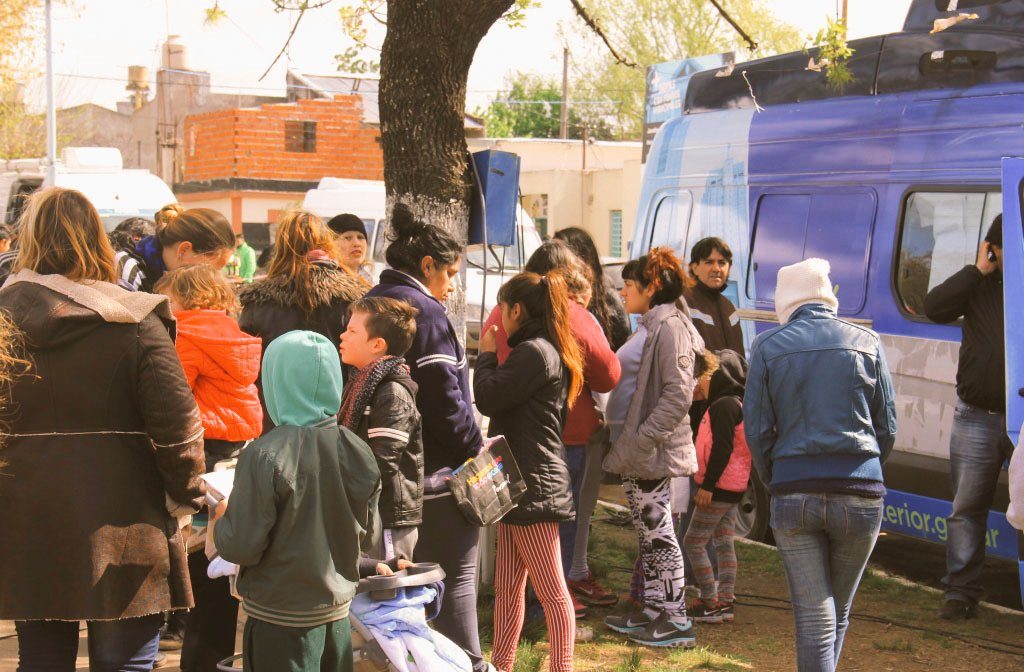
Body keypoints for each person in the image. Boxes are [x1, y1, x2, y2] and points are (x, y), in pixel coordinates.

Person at [0, 187, 205, 671]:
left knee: (41, 660)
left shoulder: (5, 317)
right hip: (126, 517)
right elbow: (178, 429)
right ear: (97, 239)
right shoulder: (133, 320)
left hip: (25, 517)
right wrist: (185, 497)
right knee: (126, 664)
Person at [744, 258, 896, 672]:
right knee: (838, 610)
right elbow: (888, 427)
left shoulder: (768, 346)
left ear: (785, 301)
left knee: (815, 613)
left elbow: (756, 428)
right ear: (828, 296)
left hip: (794, 491)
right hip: (861, 492)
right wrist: (864, 467)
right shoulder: (868, 341)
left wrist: (775, 478)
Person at [212, 330, 381, 672]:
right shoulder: (358, 449)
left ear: (275, 383)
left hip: (279, 618)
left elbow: (241, 546)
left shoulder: (264, 454)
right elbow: (369, 537)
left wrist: (220, 520)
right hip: (336, 613)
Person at [364, 203, 487, 671]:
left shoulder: (373, 302)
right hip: (436, 475)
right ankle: (469, 664)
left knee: (404, 589)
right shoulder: (429, 314)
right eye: (449, 273)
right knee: (454, 579)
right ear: (428, 266)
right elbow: (447, 402)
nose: (452, 285)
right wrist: (477, 450)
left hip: (389, 477)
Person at [481, 240, 621, 615]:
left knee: (518, 545)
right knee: (554, 539)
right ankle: (549, 607)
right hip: (560, 438)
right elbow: (609, 373)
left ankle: (536, 612)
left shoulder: (505, 310)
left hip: (511, 439)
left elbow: (490, 389)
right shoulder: (568, 318)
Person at [153, 264, 262, 670]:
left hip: (201, 446)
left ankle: (196, 660)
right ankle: (215, 658)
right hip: (235, 451)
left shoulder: (188, 332)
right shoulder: (235, 334)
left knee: (193, 562)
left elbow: (169, 397)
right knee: (218, 561)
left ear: (185, 296)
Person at [475, 271, 584, 672]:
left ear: (517, 309)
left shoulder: (534, 353)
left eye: (503, 309)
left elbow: (487, 397)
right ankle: (502, 665)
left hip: (532, 486)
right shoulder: (541, 349)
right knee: (507, 589)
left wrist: (486, 354)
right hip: (519, 483)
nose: (500, 319)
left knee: (552, 591)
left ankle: (561, 667)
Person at [603, 247, 704, 648]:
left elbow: (679, 395)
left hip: (652, 451)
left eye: (629, 285)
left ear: (652, 287)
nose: (623, 292)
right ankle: (654, 608)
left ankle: (676, 619)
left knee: (659, 532)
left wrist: (642, 438)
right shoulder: (655, 322)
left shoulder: (671, 327)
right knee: (649, 534)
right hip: (641, 450)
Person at [924, 215, 1012, 619]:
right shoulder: (979, 285)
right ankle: (960, 593)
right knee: (966, 510)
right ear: (992, 247)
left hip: (1022, 420)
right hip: (978, 416)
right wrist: (978, 269)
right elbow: (934, 307)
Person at [239, 210, 366, 432]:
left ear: (282, 246)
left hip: (276, 418)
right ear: (327, 242)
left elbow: (245, 368)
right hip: (339, 417)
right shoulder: (356, 295)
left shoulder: (258, 301)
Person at [339, 296, 424, 564]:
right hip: (366, 513)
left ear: (377, 345)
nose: (343, 336)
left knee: (384, 600)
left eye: (352, 331)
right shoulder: (361, 383)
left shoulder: (392, 393)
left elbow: (381, 465)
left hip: (386, 520)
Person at [683, 349, 749, 625]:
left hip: (718, 487)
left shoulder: (723, 406)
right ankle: (726, 598)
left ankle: (709, 600)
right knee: (723, 541)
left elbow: (723, 447)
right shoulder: (737, 403)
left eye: (705, 375)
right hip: (734, 487)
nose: (700, 381)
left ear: (720, 376)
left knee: (693, 542)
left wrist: (707, 486)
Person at [116, 203, 236, 292]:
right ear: (183, 249)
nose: (210, 280)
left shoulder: (174, 279)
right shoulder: (128, 271)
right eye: (208, 271)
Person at [553, 226, 630, 350]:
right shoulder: (552, 293)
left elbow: (620, 348)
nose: (554, 259)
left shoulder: (608, 298)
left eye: (559, 253)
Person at [328, 212, 374, 287]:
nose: (357, 244)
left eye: (360, 237)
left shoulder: (368, 280)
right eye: (348, 238)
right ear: (331, 244)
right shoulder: (326, 284)